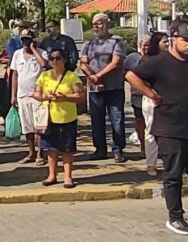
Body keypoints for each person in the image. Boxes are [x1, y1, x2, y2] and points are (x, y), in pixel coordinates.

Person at [126, 21, 188, 236]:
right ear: (173, 39)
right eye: (185, 40)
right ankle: (175, 217)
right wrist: (151, 94)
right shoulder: (158, 62)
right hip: (170, 128)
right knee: (174, 175)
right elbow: (131, 76)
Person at [79, 13, 128, 163]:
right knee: (97, 120)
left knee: (117, 120)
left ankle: (118, 150)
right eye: (94, 24)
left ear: (107, 24)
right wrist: (92, 77)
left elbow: (116, 62)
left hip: (114, 88)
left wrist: (98, 76)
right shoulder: (89, 43)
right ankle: (100, 149)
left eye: (99, 23)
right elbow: (83, 63)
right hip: (95, 89)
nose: (96, 26)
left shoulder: (117, 41)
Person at [34, 49, 85, 188]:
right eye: (52, 58)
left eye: (58, 58)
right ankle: (52, 175)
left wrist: (65, 97)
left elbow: (80, 95)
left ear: (64, 60)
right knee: (51, 149)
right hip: (49, 119)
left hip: (67, 119)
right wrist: (45, 96)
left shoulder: (72, 77)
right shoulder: (44, 76)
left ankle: (68, 177)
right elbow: (36, 93)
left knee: (67, 149)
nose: (55, 61)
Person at [10, 29, 48, 165]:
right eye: (23, 40)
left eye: (28, 39)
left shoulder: (42, 52)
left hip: (37, 96)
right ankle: (31, 152)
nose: (25, 42)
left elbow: (44, 64)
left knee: (39, 126)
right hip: (22, 95)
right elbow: (14, 75)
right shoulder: (17, 54)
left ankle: (40, 154)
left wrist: (33, 49)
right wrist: (13, 95)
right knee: (27, 127)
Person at [124, 35, 159, 176]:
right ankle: (149, 158)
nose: (146, 47)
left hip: (160, 98)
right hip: (143, 97)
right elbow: (128, 75)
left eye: (148, 45)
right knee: (144, 125)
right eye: (144, 45)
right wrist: (148, 91)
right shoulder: (134, 58)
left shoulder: (161, 58)